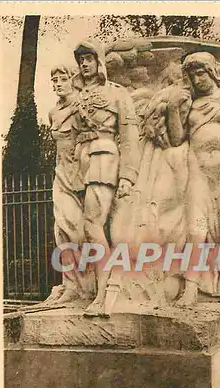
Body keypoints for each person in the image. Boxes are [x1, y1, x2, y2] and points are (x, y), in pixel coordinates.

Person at [165, 52, 220, 306]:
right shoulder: (190, 104)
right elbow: (176, 138)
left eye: (200, 73)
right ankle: (190, 289)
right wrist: (172, 108)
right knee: (196, 230)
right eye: (192, 75)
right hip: (199, 173)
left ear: (212, 71)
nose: (196, 79)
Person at [72, 40, 141, 314]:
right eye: (80, 60)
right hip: (84, 163)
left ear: (98, 61)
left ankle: (105, 292)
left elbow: (129, 135)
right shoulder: (78, 96)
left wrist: (128, 176)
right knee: (94, 228)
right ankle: (106, 285)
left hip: (105, 157)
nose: (84, 64)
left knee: (92, 225)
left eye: (88, 58)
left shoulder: (117, 93)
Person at [45, 65, 94, 305]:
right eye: (54, 81)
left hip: (81, 174)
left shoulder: (81, 105)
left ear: (71, 80)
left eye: (62, 79)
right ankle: (70, 284)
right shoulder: (54, 112)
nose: (57, 84)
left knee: (79, 229)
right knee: (62, 230)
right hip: (61, 173)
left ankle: (88, 285)